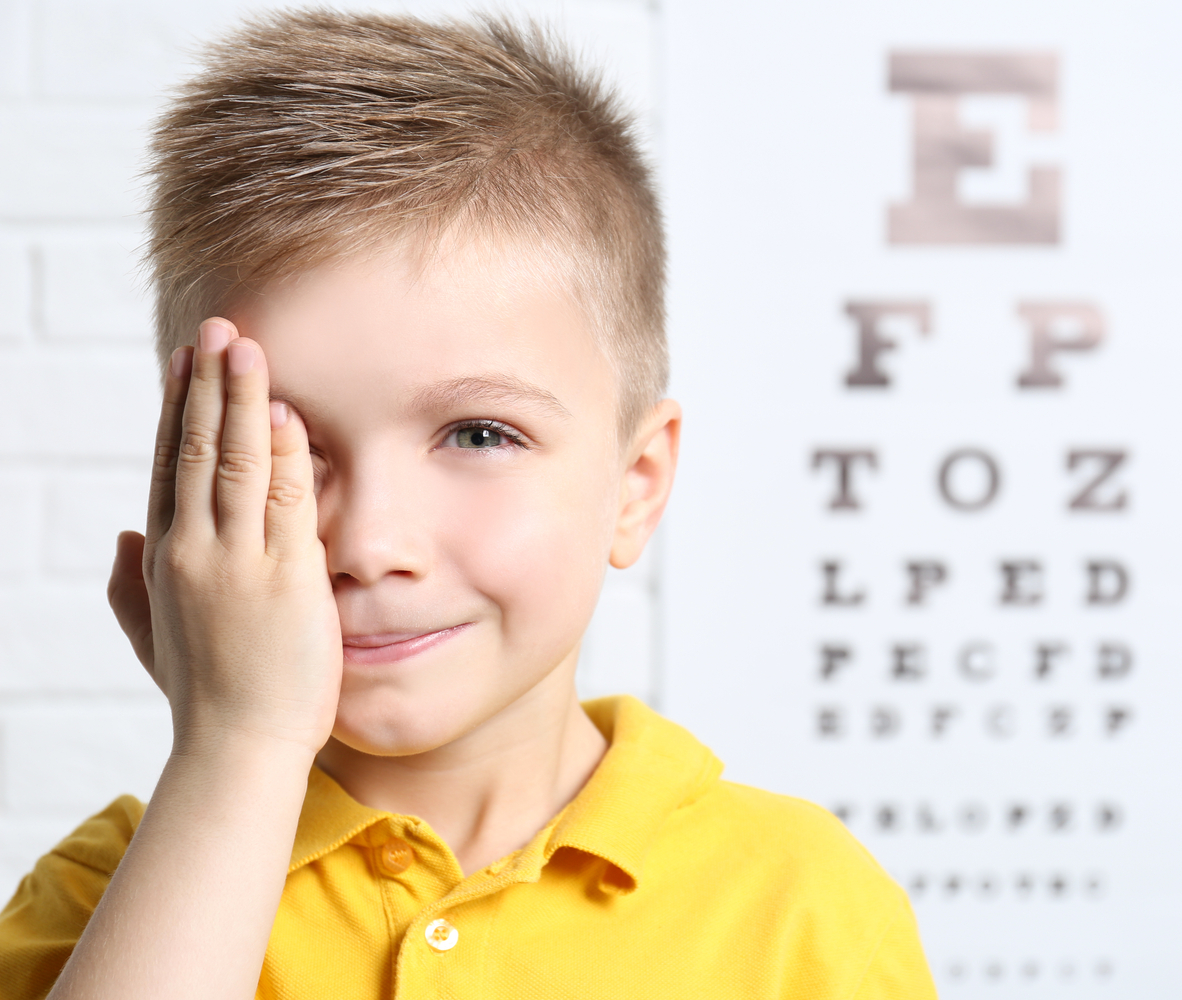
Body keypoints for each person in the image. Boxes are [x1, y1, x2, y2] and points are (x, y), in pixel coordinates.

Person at [0, 11, 935, 999]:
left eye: (479, 434)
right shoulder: (106, 899)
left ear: (636, 485)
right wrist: (237, 747)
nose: (369, 542)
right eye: (292, 449)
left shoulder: (800, 908)